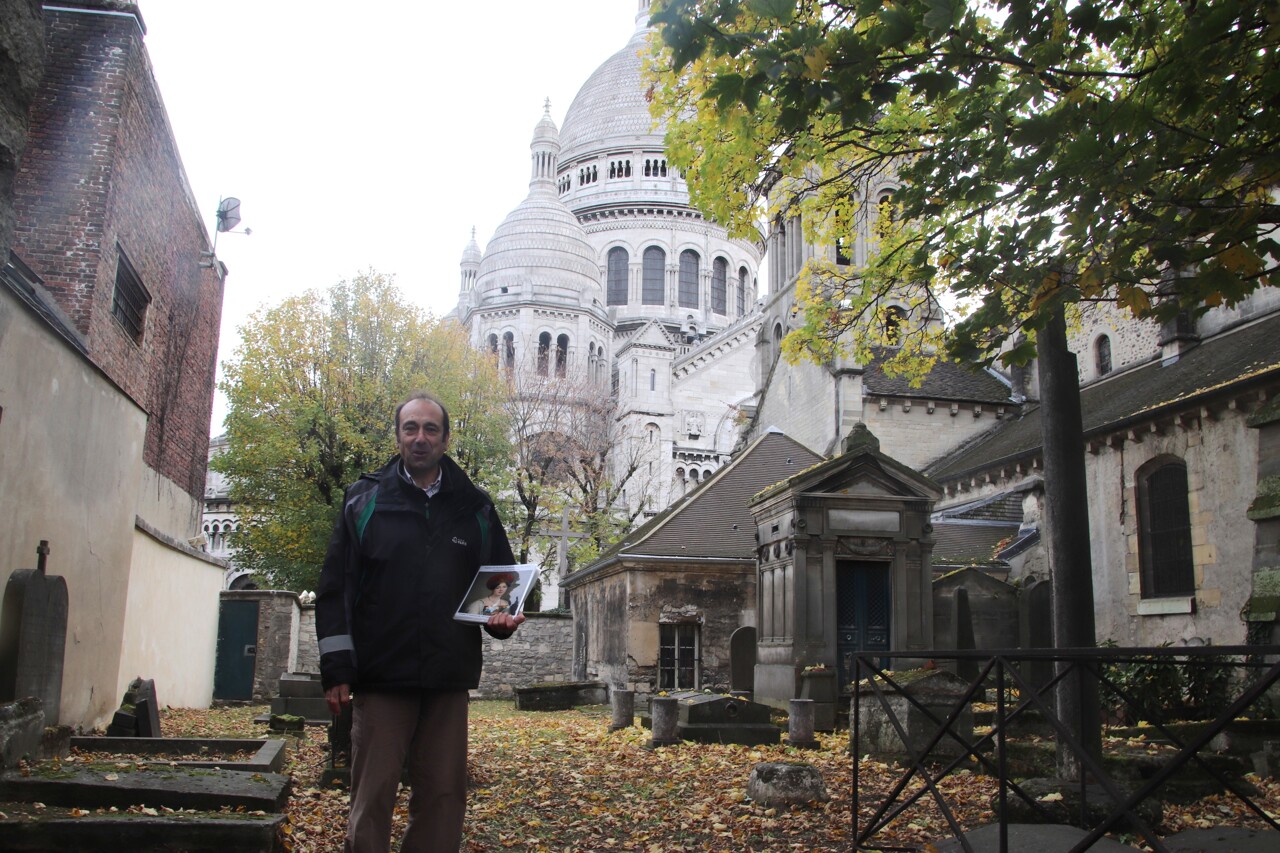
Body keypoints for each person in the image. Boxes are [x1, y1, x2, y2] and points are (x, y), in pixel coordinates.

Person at [316, 391, 523, 853]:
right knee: (372, 796)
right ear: (398, 436)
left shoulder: (476, 507)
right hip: (382, 674)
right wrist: (337, 669)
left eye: (431, 429)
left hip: (448, 673)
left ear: (446, 439)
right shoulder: (363, 499)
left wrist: (499, 621)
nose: (420, 437)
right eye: (410, 428)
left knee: (443, 796)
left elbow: (498, 585)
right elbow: (336, 588)